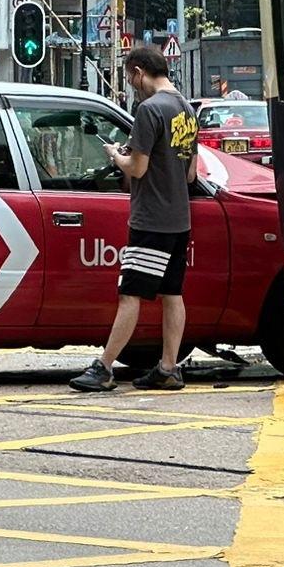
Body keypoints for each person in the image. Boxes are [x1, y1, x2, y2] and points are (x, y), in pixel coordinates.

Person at [70, 46, 200, 393]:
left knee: (130, 294)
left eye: (129, 77)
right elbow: (190, 173)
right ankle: (169, 368)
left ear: (139, 71)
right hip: (178, 218)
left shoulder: (150, 109)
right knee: (173, 293)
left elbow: (137, 168)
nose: (131, 85)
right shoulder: (186, 109)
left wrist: (116, 156)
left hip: (151, 219)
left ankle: (105, 368)